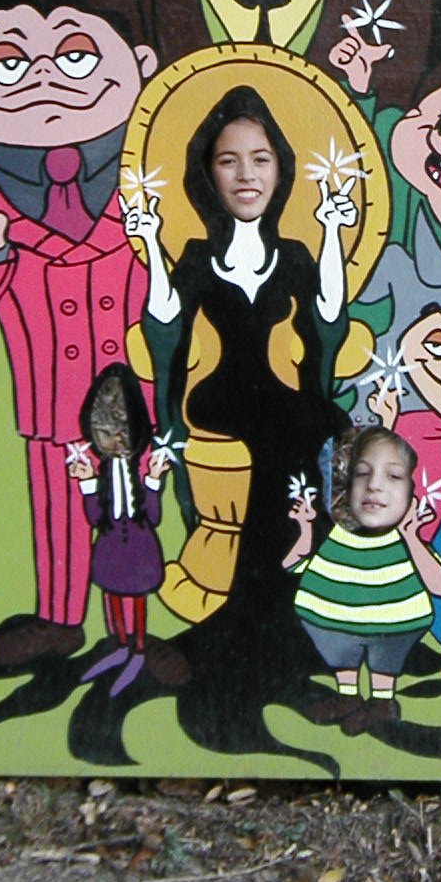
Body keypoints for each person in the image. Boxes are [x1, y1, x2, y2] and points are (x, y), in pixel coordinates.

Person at [0, 0, 158, 669]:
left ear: (139, 65)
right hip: (48, 398)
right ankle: (57, 621)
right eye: (7, 65)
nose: (44, 77)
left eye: (76, 57)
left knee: (146, 509)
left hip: (150, 393)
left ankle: (138, 633)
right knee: (60, 511)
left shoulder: (156, 167)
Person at [122, 85, 357, 623]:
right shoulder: (197, 256)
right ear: (208, 174)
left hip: (276, 396)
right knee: (287, 431)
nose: (246, 175)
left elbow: (328, 316)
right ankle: (265, 595)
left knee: (319, 422)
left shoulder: (293, 255)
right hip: (220, 395)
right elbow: (165, 321)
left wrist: (331, 230)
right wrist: (152, 243)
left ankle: (302, 580)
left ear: (280, 171)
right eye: (228, 161)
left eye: (260, 160)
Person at [283, 427, 441, 734]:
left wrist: (412, 538)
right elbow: (293, 564)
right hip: (331, 623)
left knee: (385, 656)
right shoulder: (336, 537)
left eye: (393, 476)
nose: (374, 486)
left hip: (394, 626)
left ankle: (382, 701)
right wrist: (305, 528)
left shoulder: (405, 543)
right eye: (362, 473)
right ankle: (347, 695)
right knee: (340, 649)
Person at [67, 364, 171, 697]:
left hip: (139, 547)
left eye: (121, 430)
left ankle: (138, 649)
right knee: (111, 595)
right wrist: (86, 482)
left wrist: (153, 479)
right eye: (105, 431)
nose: (114, 438)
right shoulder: (103, 474)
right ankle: (119, 644)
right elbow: (95, 516)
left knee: (137, 598)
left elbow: (152, 515)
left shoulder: (135, 471)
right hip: (111, 546)